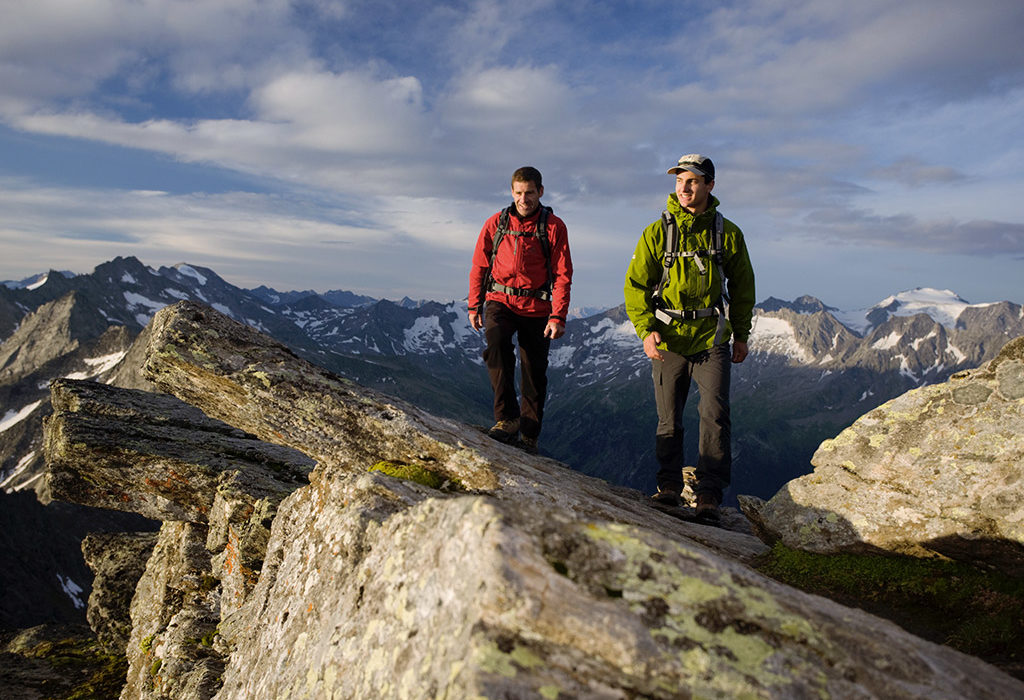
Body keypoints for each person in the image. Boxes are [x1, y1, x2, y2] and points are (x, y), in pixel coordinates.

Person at [623, 154, 755, 523]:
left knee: (714, 415)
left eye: (693, 180)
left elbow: (743, 286)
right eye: (680, 180)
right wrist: (646, 330)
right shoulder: (656, 232)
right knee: (669, 419)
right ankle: (668, 488)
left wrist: (741, 334)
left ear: (710, 185)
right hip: (668, 339)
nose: (684, 186)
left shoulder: (727, 233)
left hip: (711, 338)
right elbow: (635, 286)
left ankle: (709, 496)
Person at [468, 166, 573, 454]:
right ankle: (507, 419)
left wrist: (557, 315)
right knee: (496, 345)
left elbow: (563, 274)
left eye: (529, 193)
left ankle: (529, 435)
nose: (523, 199)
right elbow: (479, 265)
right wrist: (474, 304)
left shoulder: (553, 227)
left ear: (540, 191)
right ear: (511, 192)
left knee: (534, 372)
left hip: (537, 307)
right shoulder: (496, 223)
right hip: (500, 300)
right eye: (518, 193)